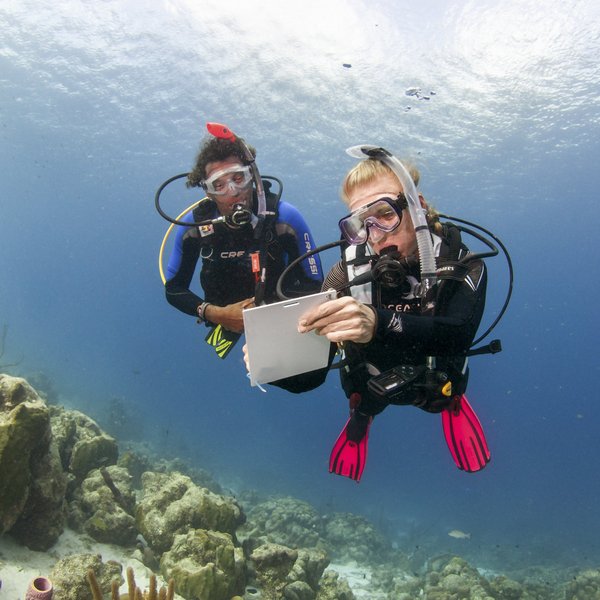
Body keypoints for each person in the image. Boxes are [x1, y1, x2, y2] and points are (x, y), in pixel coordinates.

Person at [245, 145, 491, 481]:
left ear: (417, 206)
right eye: (362, 223)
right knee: (363, 399)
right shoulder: (345, 274)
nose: (375, 235)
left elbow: (458, 335)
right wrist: (274, 366)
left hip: (437, 383)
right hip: (371, 384)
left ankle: (454, 408)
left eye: (385, 214)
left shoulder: (463, 262)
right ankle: (360, 421)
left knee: (444, 393)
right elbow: (312, 376)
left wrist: (378, 322)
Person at [164, 129, 324, 357]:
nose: (233, 192)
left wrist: (268, 315)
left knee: (303, 381)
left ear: (252, 177)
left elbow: (315, 283)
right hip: (221, 313)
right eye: (219, 185)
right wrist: (214, 314)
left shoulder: (284, 218)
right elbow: (174, 289)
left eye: (238, 178)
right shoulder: (195, 226)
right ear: (208, 193)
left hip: (278, 311)